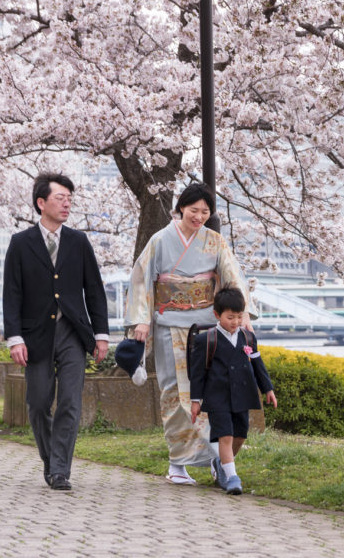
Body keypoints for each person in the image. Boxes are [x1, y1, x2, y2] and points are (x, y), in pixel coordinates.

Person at [126, 182, 257, 486]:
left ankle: (218, 459)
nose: (199, 216)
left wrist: (243, 313)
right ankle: (178, 463)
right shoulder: (160, 241)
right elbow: (142, 280)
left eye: (205, 212)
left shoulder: (214, 242)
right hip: (169, 325)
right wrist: (142, 320)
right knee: (174, 392)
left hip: (207, 329)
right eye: (194, 210)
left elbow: (232, 275)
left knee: (211, 392)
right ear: (181, 208)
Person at [3, 173, 109, 491]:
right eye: (60, 198)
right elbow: (12, 294)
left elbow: (94, 290)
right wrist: (14, 338)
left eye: (69, 199)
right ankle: (51, 460)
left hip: (73, 333)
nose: (66, 204)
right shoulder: (21, 244)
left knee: (70, 402)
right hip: (35, 335)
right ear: (41, 202)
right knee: (37, 403)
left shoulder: (78, 242)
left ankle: (60, 469)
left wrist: (101, 334)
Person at [189, 288, 277, 495]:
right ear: (217, 315)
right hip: (217, 396)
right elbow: (198, 373)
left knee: (240, 436)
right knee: (226, 437)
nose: (235, 322)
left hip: (242, 395)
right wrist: (195, 401)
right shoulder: (206, 340)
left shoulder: (248, 338)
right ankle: (233, 477)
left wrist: (268, 389)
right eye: (230, 317)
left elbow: (258, 365)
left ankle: (222, 464)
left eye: (239, 317)